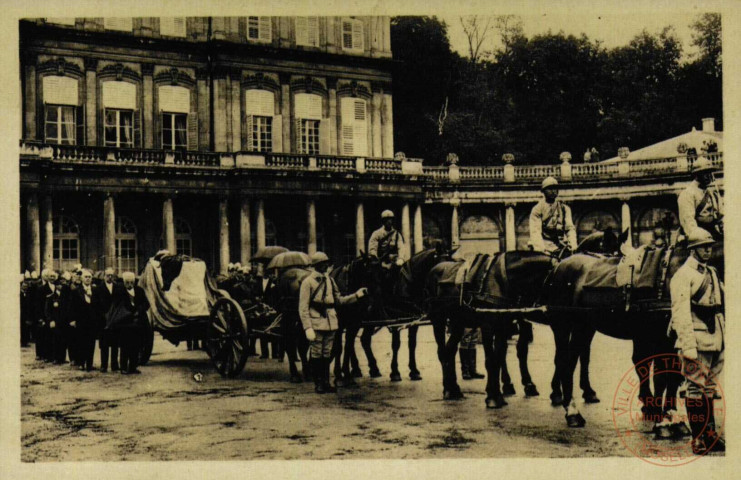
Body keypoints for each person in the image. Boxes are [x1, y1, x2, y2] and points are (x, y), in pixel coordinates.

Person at [669, 228, 725, 454]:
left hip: (715, 337)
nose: (709, 250)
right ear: (693, 249)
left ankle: (711, 435)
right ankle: (698, 437)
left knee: (710, 388)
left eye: (710, 246)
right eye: (704, 246)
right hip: (697, 340)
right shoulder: (683, 276)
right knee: (695, 388)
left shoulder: (711, 271)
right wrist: (688, 346)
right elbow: (680, 314)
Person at [298, 252, 367, 393]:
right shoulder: (308, 282)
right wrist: (307, 327)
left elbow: (339, 300)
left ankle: (326, 382)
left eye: (327, 263)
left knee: (327, 353)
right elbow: (303, 307)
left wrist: (356, 296)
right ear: (317, 265)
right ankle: (318, 383)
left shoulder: (330, 280)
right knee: (317, 353)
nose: (326, 265)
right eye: (323, 263)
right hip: (316, 322)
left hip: (331, 322)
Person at [107, 272, 149, 375]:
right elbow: (117, 306)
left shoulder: (139, 291)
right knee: (125, 346)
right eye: (127, 282)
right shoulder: (119, 292)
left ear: (134, 282)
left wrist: (139, 310)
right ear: (124, 282)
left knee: (136, 346)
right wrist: (130, 312)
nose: (129, 284)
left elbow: (146, 304)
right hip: (125, 324)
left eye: (131, 282)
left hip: (138, 323)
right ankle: (124, 367)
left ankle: (133, 367)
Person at [678, 156, 723, 240]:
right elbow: (689, 223)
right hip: (698, 237)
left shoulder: (713, 194)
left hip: (713, 234)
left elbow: (721, 215)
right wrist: (702, 235)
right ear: (696, 175)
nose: (709, 176)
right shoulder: (687, 194)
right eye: (705, 173)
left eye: (710, 172)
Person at [529, 177, 578, 255]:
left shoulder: (564, 208)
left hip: (561, 246)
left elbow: (570, 228)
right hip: (544, 245)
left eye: (555, 188)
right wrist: (542, 250)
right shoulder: (537, 209)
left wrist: (573, 244)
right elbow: (535, 232)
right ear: (543, 191)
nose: (553, 191)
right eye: (549, 188)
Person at [68, 269, 97, 371]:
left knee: (91, 342)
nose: (88, 279)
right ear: (82, 278)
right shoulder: (76, 291)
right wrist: (72, 319)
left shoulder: (95, 290)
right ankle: (81, 362)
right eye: (86, 277)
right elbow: (71, 307)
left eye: (89, 277)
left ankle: (89, 363)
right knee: (81, 342)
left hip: (92, 321)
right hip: (81, 320)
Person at [97, 268, 119, 372]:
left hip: (115, 320)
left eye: (111, 275)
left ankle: (114, 365)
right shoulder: (98, 288)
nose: (109, 277)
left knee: (115, 344)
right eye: (107, 275)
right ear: (104, 276)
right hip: (103, 320)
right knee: (104, 344)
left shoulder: (118, 287)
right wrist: (103, 315)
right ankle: (104, 365)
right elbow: (96, 304)